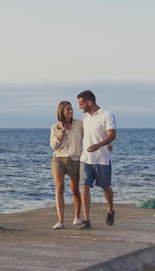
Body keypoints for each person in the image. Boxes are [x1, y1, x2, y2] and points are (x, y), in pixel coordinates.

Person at [77, 90, 117, 229]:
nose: (80, 107)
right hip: (86, 158)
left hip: (102, 159)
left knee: (106, 188)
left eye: (81, 104)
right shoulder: (85, 118)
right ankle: (86, 220)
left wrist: (100, 145)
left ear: (89, 102)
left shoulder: (107, 115)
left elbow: (112, 135)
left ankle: (110, 210)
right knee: (85, 186)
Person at [50, 101, 83, 229]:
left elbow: (90, 135)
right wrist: (61, 133)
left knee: (74, 190)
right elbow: (53, 145)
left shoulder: (79, 125)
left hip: (75, 159)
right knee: (59, 187)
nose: (71, 111)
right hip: (59, 159)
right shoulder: (55, 127)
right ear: (62, 112)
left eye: (71, 109)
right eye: (67, 109)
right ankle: (61, 221)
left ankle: (77, 216)